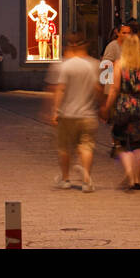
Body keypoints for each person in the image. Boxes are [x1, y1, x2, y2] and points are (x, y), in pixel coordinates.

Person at [101, 33, 140, 191]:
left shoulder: (119, 64)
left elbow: (115, 89)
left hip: (124, 106)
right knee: (139, 145)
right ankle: (136, 180)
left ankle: (129, 172)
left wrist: (107, 107)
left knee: (122, 143)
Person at [48, 34, 102, 192]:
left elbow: (60, 88)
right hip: (88, 114)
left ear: (72, 46)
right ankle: (86, 181)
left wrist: (55, 111)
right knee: (86, 147)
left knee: (64, 148)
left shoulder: (66, 65)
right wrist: (103, 106)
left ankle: (65, 179)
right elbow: (99, 88)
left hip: (67, 114)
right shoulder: (95, 64)